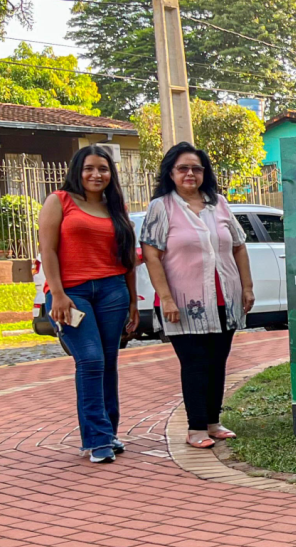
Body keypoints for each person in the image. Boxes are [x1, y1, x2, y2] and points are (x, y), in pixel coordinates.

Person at [140, 143, 255, 449]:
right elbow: (152, 255)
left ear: (205, 173)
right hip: (183, 302)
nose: (190, 173)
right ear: (171, 173)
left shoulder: (218, 203)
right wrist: (165, 297)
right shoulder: (161, 207)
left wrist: (247, 287)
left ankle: (213, 422)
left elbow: (239, 246)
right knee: (194, 363)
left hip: (224, 300)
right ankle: (195, 428)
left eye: (196, 168)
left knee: (218, 362)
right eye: (183, 168)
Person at [38, 145, 139, 464]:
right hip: (71, 293)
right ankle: (97, 439)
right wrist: (58, 293)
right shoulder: (59, 201)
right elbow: (48, 251)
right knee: (91, 360)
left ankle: (108, 432)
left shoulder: (116, 206)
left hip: (113, 291)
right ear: (77, 171)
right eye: (89, 168)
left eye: (103, 169)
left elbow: (127, 258)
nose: (97, 174)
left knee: (108, 362)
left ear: (111, 174)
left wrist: (134, 301)